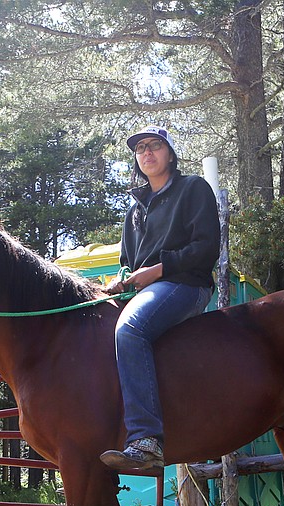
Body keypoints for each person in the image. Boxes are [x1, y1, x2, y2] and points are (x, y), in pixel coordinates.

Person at [100, 125, 220, 472]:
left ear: (169, 153)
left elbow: (206, 248)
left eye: (154, 146)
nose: (147, 153)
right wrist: (119, 283)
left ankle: (146, 440)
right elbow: (128, 265)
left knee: (130, 331)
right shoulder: (134, 211)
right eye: (140, 149)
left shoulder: (193, 188)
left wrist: (158, 270)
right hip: (146, 290)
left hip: (186, 285)